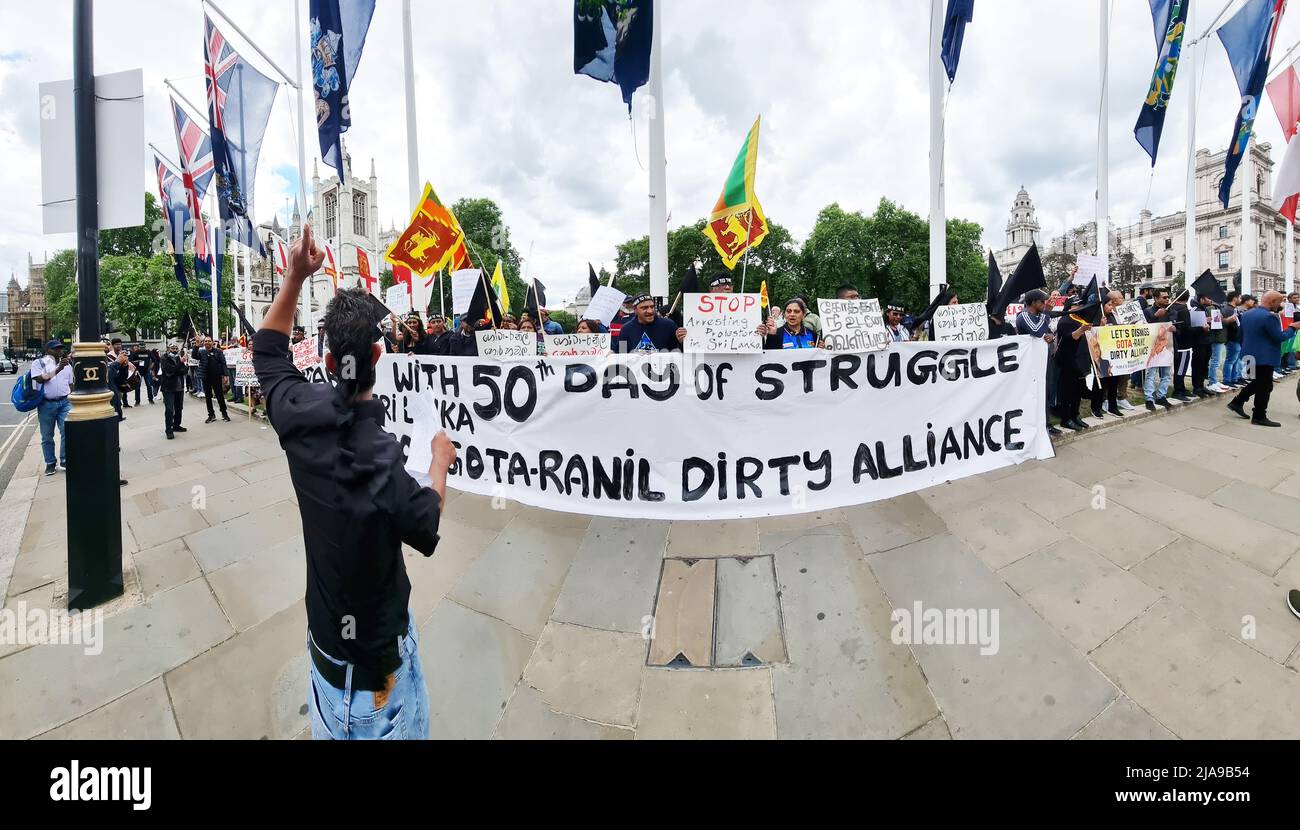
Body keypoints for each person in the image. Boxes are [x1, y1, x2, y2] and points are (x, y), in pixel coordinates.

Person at [253, 224, 454, 741]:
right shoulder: (381, 457)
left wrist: (296, 274)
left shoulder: (297, 413)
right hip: (378, 677)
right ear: (379, 358)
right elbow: (426, 523)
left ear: (323, 360)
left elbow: (269, 351)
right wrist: (439, 462)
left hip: (324, 652)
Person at [1228, 290, 1300, 427]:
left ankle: (1237, 402)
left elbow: (1240, 335)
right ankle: (1259, 415)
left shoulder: (1247, 313)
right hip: (1264, 357)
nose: (1280, 305)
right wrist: (1292, 327)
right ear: (1272, 302)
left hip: (1249, 354)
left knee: (1257, 382)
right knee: (1265, 386)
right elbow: (1280, 337)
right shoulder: (1269, 317)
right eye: (1279, 302)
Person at [1015, 290, 1061, 436]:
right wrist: (1047, 313)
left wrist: (1050, 337)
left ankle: (1045, 423)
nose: (1045, 304)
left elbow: (1048, 333)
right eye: (1042, 302)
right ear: (1034, 302)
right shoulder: (1024, 316)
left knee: (1045, 392)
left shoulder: (1039, 316)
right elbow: (1036, 330)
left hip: (1044, 360)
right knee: (1034, 394)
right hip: (1032, 363)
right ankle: (1033, 425)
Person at [33, 340, 73, 476]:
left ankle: (64, 459)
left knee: (67, 431)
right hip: (46, 404)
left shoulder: (67, 365)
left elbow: (71, 384)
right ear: (48, 350)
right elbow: (39, 379)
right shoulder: (39, 363)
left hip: (65, 402)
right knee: (47, 436)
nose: (60, 351)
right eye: (56, 349)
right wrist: (57, 369)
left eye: (61, 349)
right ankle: (50, 463)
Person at [1054, 302, 1094, 432]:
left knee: (1078, 391)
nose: (1081, 307)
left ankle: (1075, 415)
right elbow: (1069, 337)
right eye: (1077, 305)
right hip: (1068, 361)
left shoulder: (1080, 319)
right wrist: (1081, 329)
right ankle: (1066, 419)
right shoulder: (1065, 321)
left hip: (1080, 361)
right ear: (1070, 307)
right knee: (1068, 392)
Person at [616, 294, 685, 353]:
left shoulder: (668, 325)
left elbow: (681, 353)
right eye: (644, 308)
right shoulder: (626, 330)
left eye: (652, 307)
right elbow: (621, 355)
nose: (650, 311)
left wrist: (682, 342)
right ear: (635, 310)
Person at [1142, 289, 1174, 411]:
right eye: (1164, 297)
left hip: (1167, 347)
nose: (1167, 299)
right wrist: (1155, 317)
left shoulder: (1171, 310)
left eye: (1168, 297)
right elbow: (1144, 328)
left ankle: (1161, 396)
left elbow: (1177, 324)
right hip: (1152, 348)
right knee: (1150, 374)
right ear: (1156, 299)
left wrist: (1175, 328)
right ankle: (1149, 398)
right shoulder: (1148, 311)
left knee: (1166, 374)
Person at [1166, 291, 1193, 402]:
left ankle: (1181, 387)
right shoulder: (1184, 310)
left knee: (1179, 368)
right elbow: (1187, 328)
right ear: (1187, 298)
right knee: (1181, 368)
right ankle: (1178, 391)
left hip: (1176, 343)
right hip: (1183, 344)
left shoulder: (1172, 308)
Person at [159, 340, 188, 439]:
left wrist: (180, 366)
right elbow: (169, 371)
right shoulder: (164, 358)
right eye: (172, 348)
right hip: (168, 388)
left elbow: (184, 370)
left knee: (179, 408)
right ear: (168, 349)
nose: (175, 350)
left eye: (176, 348)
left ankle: (176, 425)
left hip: (179, 387)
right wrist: (179, 365)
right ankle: (169, 430)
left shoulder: (180, 358)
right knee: (170, 410)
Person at [1189, 293, 1217, 398]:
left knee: (1204, 364)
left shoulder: (1204, 309)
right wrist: (1202, 326)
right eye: (1208, 297)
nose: (1211, 300)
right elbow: (1192, 327)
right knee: (1198, 364)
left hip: (1207, 341)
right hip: (1199, 342)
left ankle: (1201, 385)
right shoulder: (1196, 310)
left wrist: (1209, 321)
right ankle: (1197, 387)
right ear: (1201, 299)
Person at [203, 338, 230, 423]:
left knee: (219, 396)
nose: (207, 342)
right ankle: (211, 415)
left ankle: (224, 413)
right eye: (205, 341)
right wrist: (196, 345)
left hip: (216, 377)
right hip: (205, 377)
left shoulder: (218, 352)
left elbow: (223, 363)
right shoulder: (201, 352)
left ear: (212, 342)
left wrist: (225, 375)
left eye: (209, 341)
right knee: (208, 397)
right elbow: (194, 355)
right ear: (204, 343)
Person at [1222, 292, 1244, 389]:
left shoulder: (1235, 309)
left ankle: (1234, 378)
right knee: (1230, 360)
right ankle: (1227, 380)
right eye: (1239, 297)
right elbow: (1225, 323)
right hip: (1232, 338)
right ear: (1234, 298)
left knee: (1235, 361)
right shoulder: (1227, 309)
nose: (1240, 299)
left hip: (1237, 338)